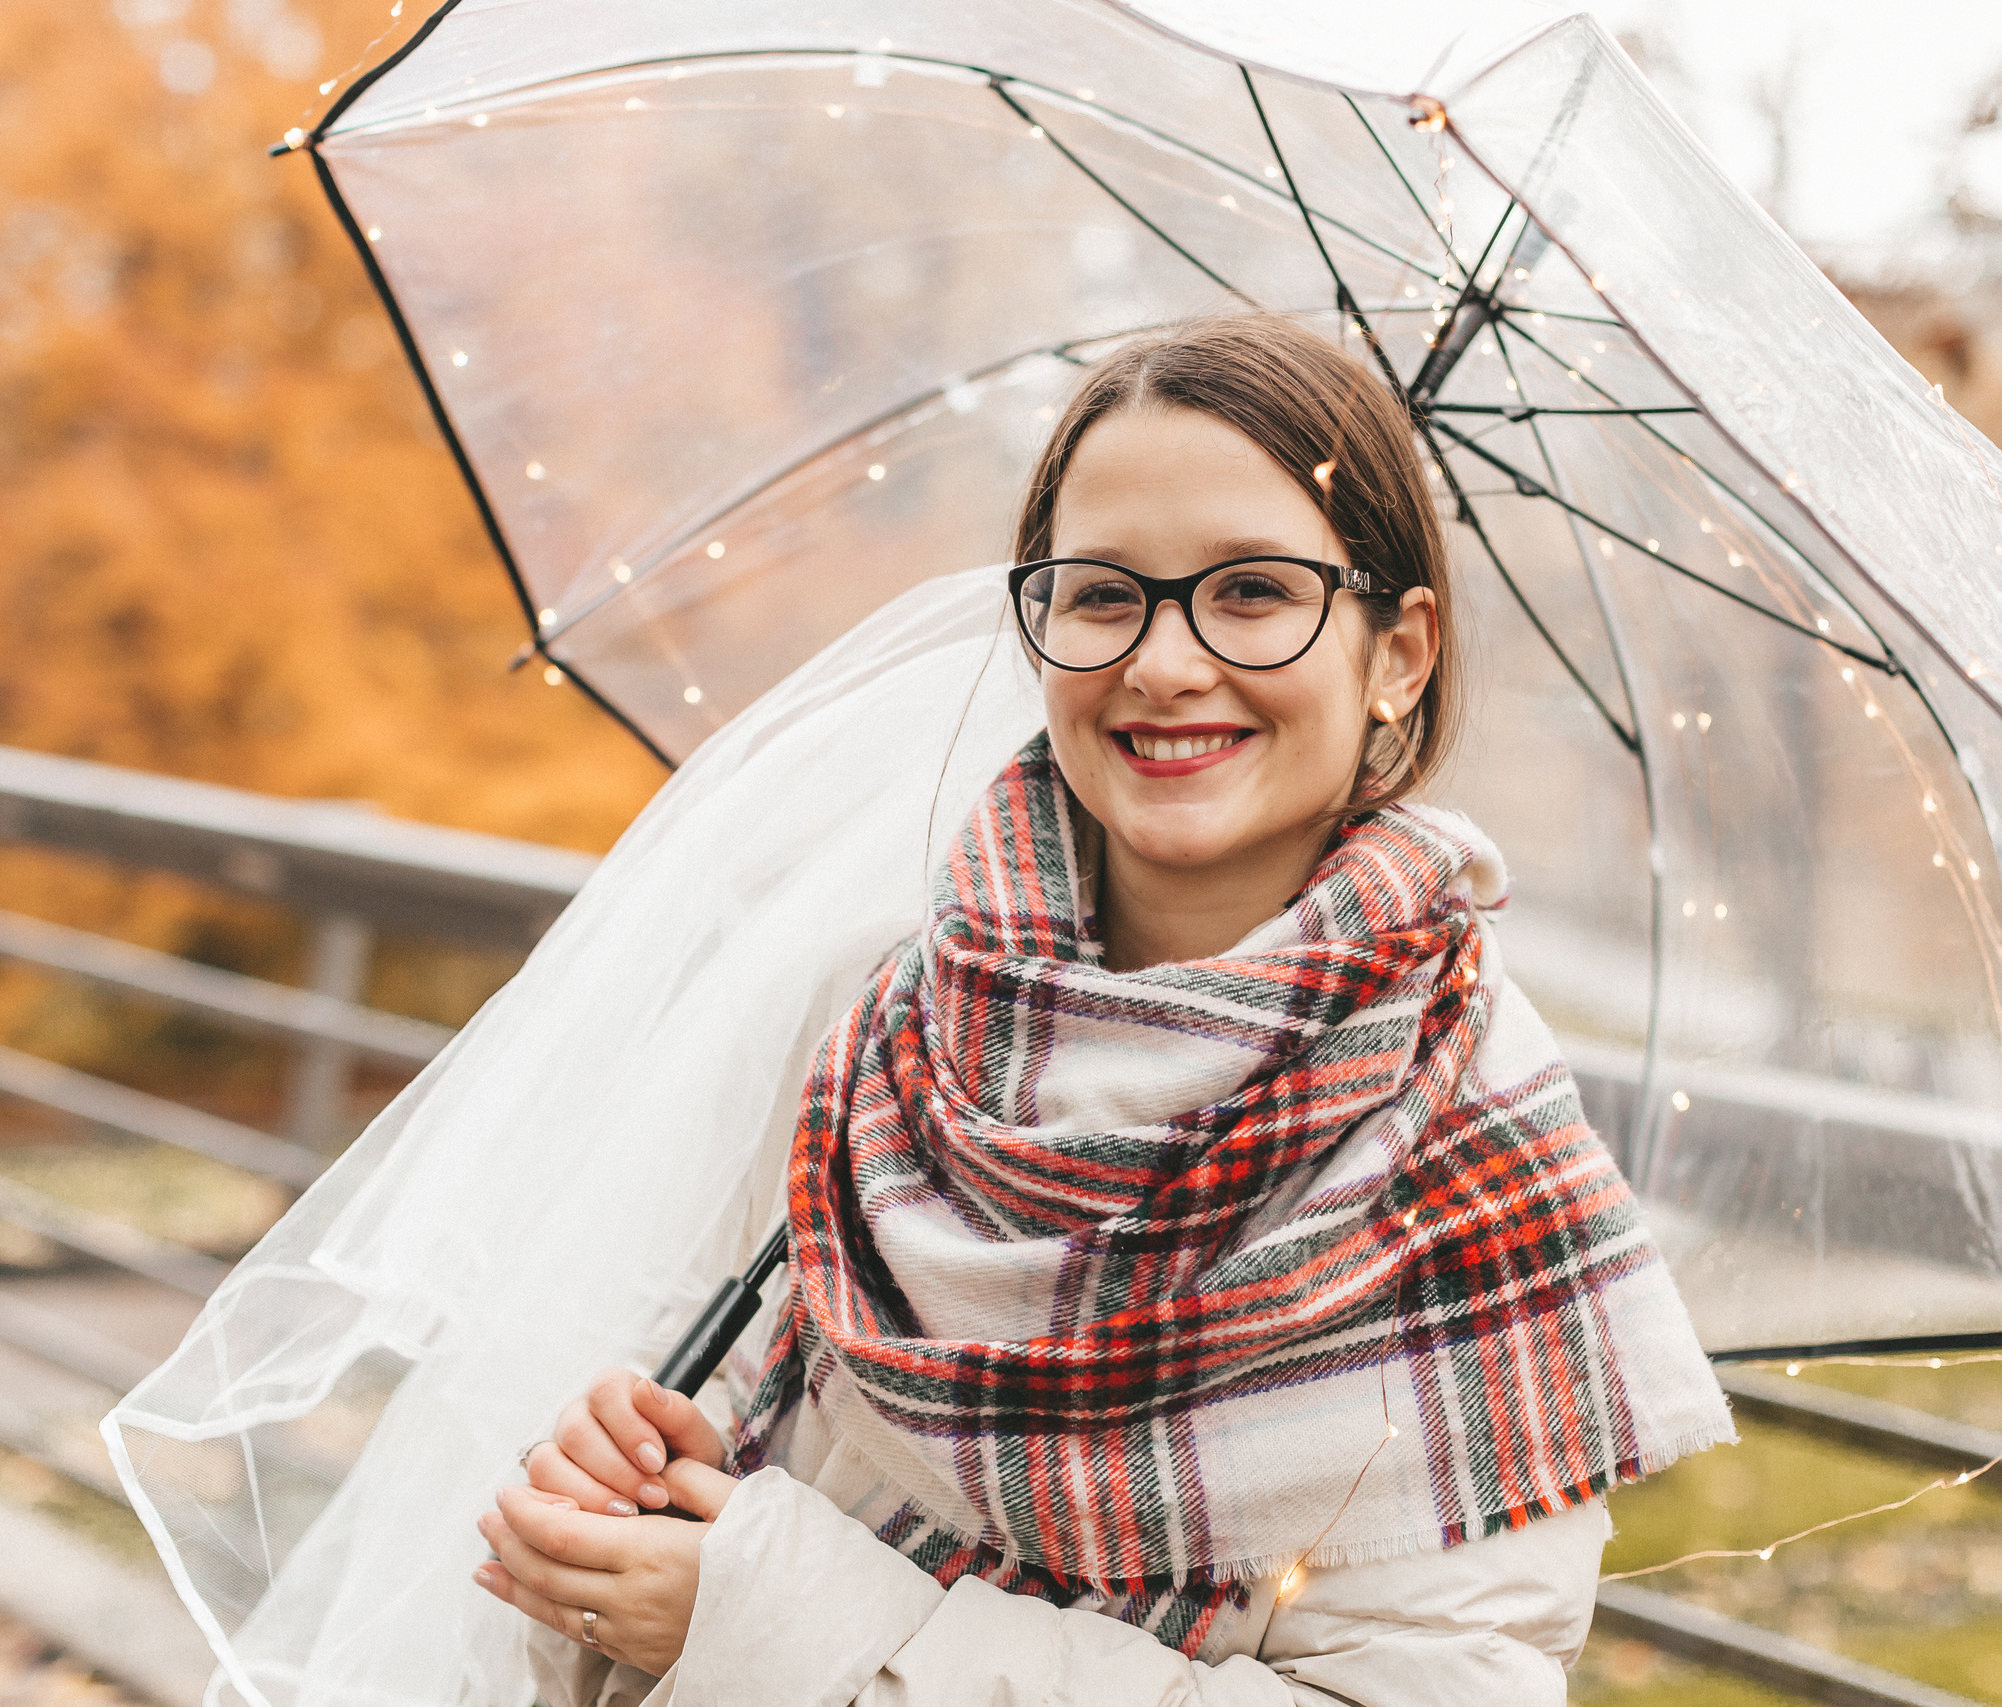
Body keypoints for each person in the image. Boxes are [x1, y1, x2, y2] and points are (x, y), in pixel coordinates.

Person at [471, 315, 1733, 1705]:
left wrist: (771, 1618)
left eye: (1254, 591)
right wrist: (631, 1519)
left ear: (1400, 653)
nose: (1165, 663)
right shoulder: (884, 1017)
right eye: (1103, 594)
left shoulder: (1467, 1164)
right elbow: (709, 1527)